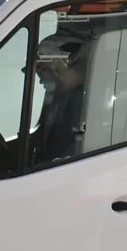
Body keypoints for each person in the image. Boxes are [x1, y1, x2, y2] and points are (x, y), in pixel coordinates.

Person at [30, 33, 89, 163]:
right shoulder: (57, 100)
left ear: (58, 66)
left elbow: (71, 149)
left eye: (40, 70)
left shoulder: (82, 101)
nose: (40, 81)